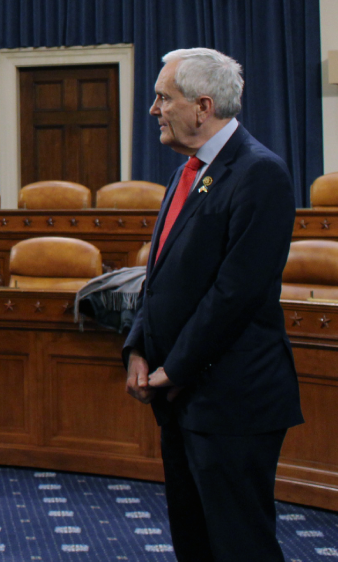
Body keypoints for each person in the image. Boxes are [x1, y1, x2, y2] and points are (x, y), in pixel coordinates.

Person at [123, 48, 304, 562]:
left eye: (163, 98)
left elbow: (236, 293)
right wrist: (138, 347)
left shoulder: (259, 173)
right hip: (183, 398)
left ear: (203, 106)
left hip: (233, 400)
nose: (154, 110)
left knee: (239, 545)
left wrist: (174, 369)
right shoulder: (188, 171)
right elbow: (160, 277)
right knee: (194, 542)